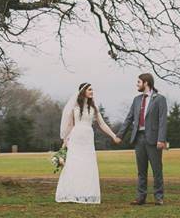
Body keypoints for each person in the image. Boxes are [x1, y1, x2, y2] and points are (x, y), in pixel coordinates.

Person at [55, 82, 122, 204]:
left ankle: (86, 193)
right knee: (74, 164)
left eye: (92, 90)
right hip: (76, 138)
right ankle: (72, 192)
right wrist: (64, 143)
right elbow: (70, 126)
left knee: (88, 164)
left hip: (88, 140)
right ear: (83, 91)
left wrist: (113, 135)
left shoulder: (93, 109)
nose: (92, 91)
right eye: (90, 89)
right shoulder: (74, 108)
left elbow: (102, 124)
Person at [117, 73, 169, 206]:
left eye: (139, 82)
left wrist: (161, 139)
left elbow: (163, 121)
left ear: (146, 83)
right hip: (138, 138)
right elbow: (129, 118)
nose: (137, 84)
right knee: (141, 170)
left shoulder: (160, 99)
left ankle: (158, 197)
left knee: (157, 169)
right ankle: (141, 197)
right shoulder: (136, 100)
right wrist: (119, 135)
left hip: (153, 139)